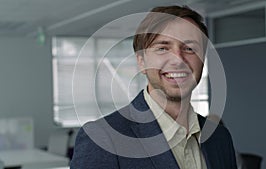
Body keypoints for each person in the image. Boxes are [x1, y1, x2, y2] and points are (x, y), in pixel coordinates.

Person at [70, 5, 237, 169]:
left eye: (189, 48)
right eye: (163, 48)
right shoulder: (103, 139)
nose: (178, 59)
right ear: (141, 61)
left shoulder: (219, 137)